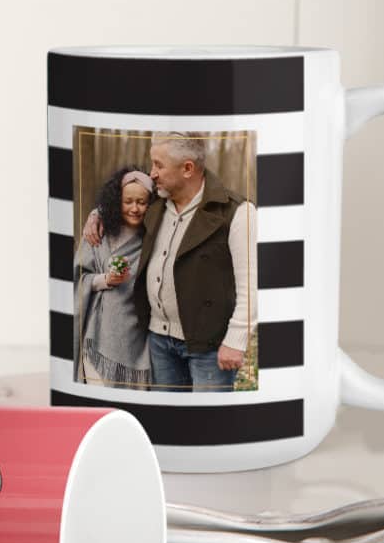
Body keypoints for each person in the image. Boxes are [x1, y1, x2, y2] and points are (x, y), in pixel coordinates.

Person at [82, 133, 257, 392]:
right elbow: (123, 199)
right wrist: (96, 214)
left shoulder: (237, 212)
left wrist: (236, 340)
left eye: (158, 165)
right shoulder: (155, 206)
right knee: (169, 421)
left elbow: (250, 285)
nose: (152, 173)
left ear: (187, 168)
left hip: (208, 346)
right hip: (158, 342)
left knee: (206, 425)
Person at [73, 166, 155, 388]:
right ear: (116, 200)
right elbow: (78, 276)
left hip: (136, 340)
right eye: (128, 201)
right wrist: (104, 280)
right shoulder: (98, 232)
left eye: (142, 202)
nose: (135, 208)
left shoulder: (153, 239)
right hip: (95, 335)